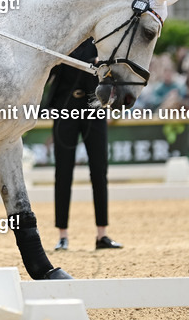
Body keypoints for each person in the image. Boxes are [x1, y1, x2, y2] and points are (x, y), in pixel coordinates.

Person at [46, 39, 122, 252]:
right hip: (65, 108)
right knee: (63, 172)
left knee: (99, 171)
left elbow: (114, 72)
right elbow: (48, 70)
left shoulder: (100, 42)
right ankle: (62, 235)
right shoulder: (64, 39)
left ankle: (102, 234)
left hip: (94, 109)